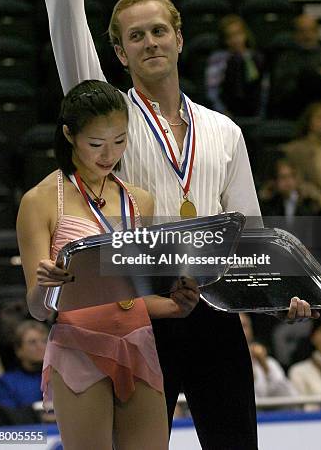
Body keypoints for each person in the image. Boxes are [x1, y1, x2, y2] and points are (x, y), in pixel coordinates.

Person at [40, 0, 319, 449]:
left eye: (159, 31)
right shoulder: (110, 116)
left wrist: (282, 289)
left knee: (236, 442)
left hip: (215, 308)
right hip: (140, 307)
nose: (150, 43)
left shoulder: (224, 131)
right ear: (119, 52)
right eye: (135, 37)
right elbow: (70, 46)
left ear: (180, 39)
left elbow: (250, 231)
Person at [17, 79, 199, 450]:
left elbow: (127, 296)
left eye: (120, 141)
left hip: (137, 343)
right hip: (78, 346)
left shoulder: (139, 202)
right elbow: (37, 309)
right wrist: (46, 286)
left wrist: (175, 306)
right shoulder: (40, 200)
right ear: (69, 135)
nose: (109, 154)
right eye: (96, 144)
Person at [269, 14, 321, 118]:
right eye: (302, 31)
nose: (307, 35)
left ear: (317, 32)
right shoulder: (286, 59)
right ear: (295, 34)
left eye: (311, 30)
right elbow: (282, 89)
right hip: (298, 106)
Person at [205, 14, 264, 116]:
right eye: (230, 36)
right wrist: (222, 112)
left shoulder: (256, 57)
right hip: (226, 113)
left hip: (254, 112)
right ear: (224, 40)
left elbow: (263, 89)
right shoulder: (218, 59)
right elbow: (212, 91)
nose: (236, 39)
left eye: (238, 34)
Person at [0, 321, 47, 409]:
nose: (40, 346)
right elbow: (6, 417)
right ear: (18, 350)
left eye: (44, 341)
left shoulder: (61, 378)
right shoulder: (6, 383)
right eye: (32, 342)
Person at [240, 313, 296, 399]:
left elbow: (288, 397)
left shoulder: (269, 363)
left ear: (251, 330)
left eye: (244, 326)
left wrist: (264, 366)